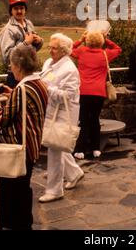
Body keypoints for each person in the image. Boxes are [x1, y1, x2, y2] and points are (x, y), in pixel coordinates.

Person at [0, 45, 48, 230]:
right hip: (31, 146)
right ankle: (25, 224)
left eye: (12, 65)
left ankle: (17, 225)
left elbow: (1, 120)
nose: (11, 68)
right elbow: (27, 109)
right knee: (23, 187)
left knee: (13, 191)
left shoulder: (22, 89)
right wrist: (11, 93)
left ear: (19, 65)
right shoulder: (39, 83)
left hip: (17, 149)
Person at [39, 33, 84, 203]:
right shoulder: (49, 63)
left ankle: (54, 190)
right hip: (51, 111)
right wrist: (46, 86)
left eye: (54, 48)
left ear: (64, 51)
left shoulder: (70, 70)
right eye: (50, 47)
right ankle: (75, 173)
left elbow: (69, 95)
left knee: (54, 150)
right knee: (55, 143)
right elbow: (48, 79)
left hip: (64, 114)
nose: (50, 50)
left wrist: (48, 89)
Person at [71, 30, 121, 159]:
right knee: (94, 119)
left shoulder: (81, 52)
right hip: (99, 92)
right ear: (101, 42)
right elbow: (118, 49)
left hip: (83, 91)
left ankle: (80, 149)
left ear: (88, 41)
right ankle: (96, 148)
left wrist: (80, 40)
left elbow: (69, 49)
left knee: (83, 120)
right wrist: (106, 39)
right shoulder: (105, 54)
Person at [0, 0, 43, 87]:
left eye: (21, 8)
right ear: (11, 11)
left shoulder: (29, 24)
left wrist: (39, 41)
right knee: (18, 101)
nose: (19, 11)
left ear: (25, 9)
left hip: (30, 73)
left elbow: (33, 50)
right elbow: (7, 58)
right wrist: (26, 43)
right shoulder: (7, 30)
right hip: (16, 76)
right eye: (16, 8)